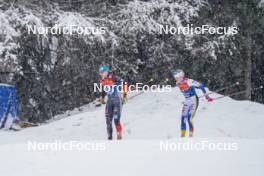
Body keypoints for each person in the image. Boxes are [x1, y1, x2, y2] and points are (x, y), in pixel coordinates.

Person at [172, 69, 213, 137]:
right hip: (187, 101)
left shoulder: (189, 81)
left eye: (177, 77)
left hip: (194, 100)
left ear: (181, 76)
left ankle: (191, 137)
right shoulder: (177, 83)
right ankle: (182, 137)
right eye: (175, 77)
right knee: (183, 118)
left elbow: (201, 85)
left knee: (189, 118)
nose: (175, 79)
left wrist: (207, 96)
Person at [99, 66, 127, 140]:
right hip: (110, 101)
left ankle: (119, 136)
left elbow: (124, 83)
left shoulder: (113, 77)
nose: (101, 74)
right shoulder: (102, 80)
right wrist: (102, 97)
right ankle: (109, 138)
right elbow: (104, 89)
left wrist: (125, 95)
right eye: (100, 73)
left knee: (116, 119)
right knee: (108, 120)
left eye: (102, 72)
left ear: (106, 72)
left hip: (117, 100)